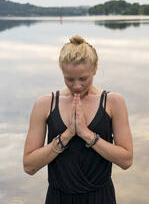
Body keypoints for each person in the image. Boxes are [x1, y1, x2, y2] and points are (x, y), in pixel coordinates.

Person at [23, 35, 133, 203]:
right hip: (58, 198)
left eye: (83, 78)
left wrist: (86, 134)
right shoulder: (44, 105)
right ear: (62, 72)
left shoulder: (113, 102)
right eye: (69, 79)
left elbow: (126, 160)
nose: (76, 85)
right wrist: (66, 136)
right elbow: (29, 166)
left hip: (100, 197)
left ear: (95, 69)